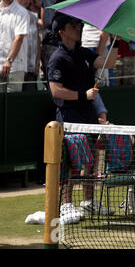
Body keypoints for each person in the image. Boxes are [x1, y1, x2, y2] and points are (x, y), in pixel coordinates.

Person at [47, 13, 119, 224]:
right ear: (62, 32)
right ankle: (66, 204)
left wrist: (116, 40)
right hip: (69, 117)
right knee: (69, 162)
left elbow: (108, 62)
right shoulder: (57, 58)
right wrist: (82, 95)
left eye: (79, 24)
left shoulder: (83, 53)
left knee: (91, 161)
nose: (78, 27)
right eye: (73, 25)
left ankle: (89, 201)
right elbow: (56, 91)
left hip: (88, 116)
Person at [40, 0, 88, 82]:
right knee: (65, 85)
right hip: (60, 47)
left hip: (48, 46)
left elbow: (44, 21)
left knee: (52, 86)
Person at [81, 0, 112, 86]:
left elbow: (106, 29)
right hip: (85, 45)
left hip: (99, 47)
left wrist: (99, 52)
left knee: (100, 85)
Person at [15, 0, 41, 92]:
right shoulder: (12, 15)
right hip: (16, 68)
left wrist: (37, 63)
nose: (26, 0)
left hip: (31, 67)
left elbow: (37, 41)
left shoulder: (34, 16)